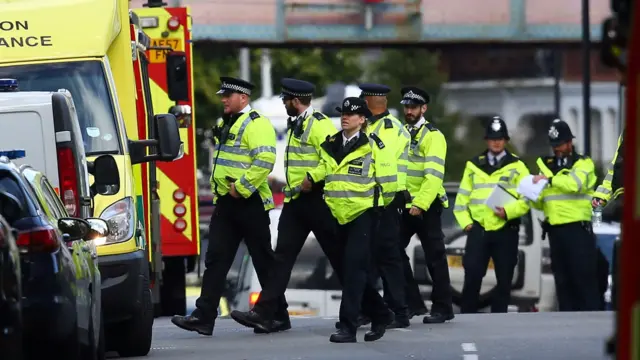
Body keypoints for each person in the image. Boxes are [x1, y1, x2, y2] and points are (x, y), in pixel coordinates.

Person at [230, 78, 387, 333]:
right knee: (282, 257)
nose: (283, 103)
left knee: (341, 261)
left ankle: (377, 310)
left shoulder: (319, 125)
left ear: (295, 100)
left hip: (319, 201)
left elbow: (332, 159)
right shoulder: (297, 124)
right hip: (295, 202)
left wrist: (311, 178)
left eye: (285, 99)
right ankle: (266, 313)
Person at [170, 76, 278, 336]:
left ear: (243, 98)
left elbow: (265, 159)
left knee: (263, 261)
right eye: (223, 95)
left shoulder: (257, 123)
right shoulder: (224, 123)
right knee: (216, 260)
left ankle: (276, 314)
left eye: (228, 96)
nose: (223, 99)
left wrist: (240, 187)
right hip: (226, 204)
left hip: (249, 202)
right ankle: (204, 316)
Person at [321, 97, 393, 343]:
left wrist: (380, 209)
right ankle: (381, 313)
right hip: (337, 214)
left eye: (351, 114)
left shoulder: (374, 145)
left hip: (364, 214)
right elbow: (325, 171)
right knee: (347, 271)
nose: (345, 117)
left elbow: (388, 182)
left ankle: (348, 326)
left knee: (354, 269)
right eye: (343, 113)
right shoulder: (330, 143)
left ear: (362, 120)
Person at [453, 117, 531, 313]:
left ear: (506, 140)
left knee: (504, 279)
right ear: (487, 140)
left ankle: (499, 319)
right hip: (479, 229)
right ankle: (467, 316)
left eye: (500, 138)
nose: (496, 142)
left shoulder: (517, 166)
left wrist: (509, 211)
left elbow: (527, 200)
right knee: (472, 276)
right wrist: (467, 224)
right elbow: (461, 201)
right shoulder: (473, 165)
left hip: (505, 229)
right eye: (493, 138)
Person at [398, 86, 454, 325]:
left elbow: (433, 176)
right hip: (404, 202)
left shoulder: (433, 136)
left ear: (424, 108)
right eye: (406, 107)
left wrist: (420, 203)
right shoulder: (401, 134)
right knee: (391, 251)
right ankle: (413, 303)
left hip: (426, 204)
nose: (409, 111)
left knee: (435, 257)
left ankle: (443, 307)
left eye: (413, 107)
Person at [531, 119, 601, 311]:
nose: (557, 149)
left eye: (560, 145)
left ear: (570, 142)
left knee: (583, 281)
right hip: (555, 231)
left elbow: (574, 184)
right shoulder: (546, 167)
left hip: (578, 230)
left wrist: (550, 179)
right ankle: (567, 326)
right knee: (562, 282)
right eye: (554, 146)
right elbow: (541, 201)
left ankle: (591, 323)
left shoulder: (583, 164)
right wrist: (531, 192)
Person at [358, 83, 411, 327]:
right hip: (367, 200)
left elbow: (381, 166)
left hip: (387, 200)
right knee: (365, 256)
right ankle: (369, 310)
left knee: (389, 257)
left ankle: (398, 311)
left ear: (369, 102)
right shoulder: (368, 125)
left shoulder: (390, 129)